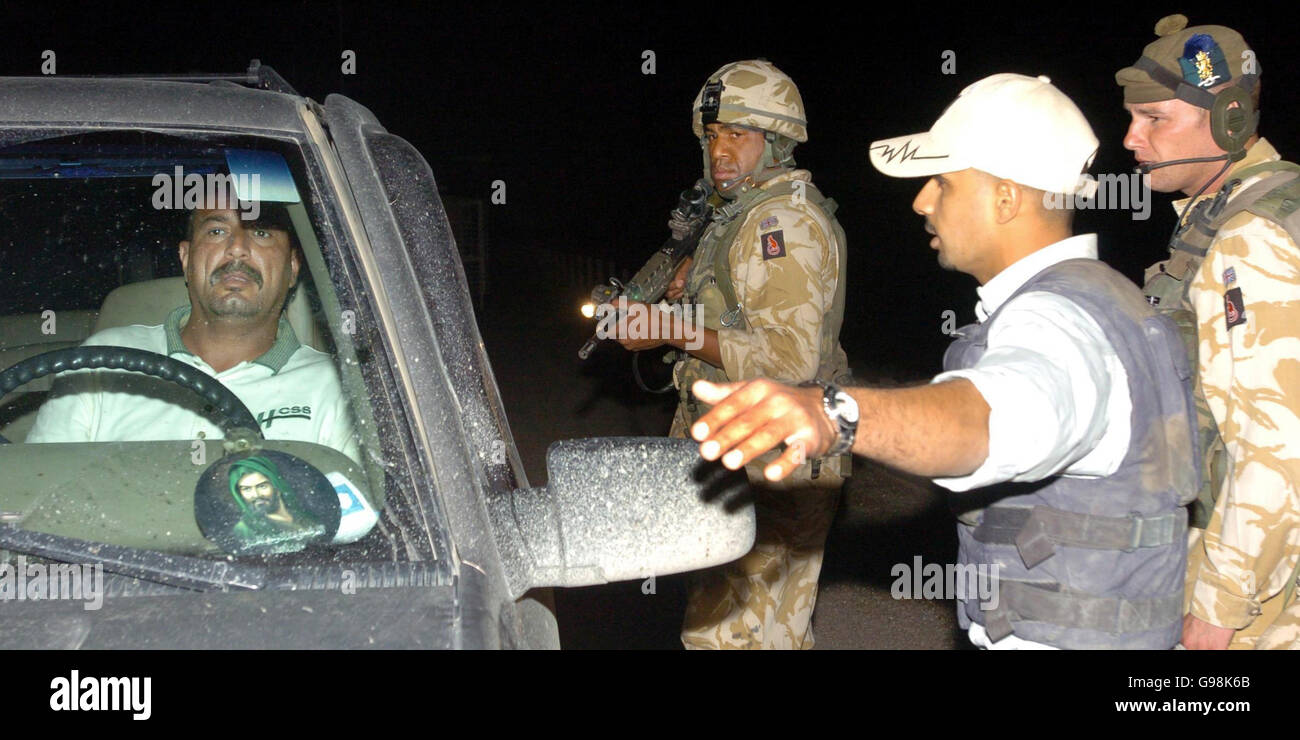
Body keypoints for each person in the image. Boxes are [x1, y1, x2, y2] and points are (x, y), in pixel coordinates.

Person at [687, 73, 1200, 649]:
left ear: (1006, 197)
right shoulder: (1107, 297)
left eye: (942, 182)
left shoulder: (1060, 322)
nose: (921, 201)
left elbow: (995, 416)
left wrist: (834, 412)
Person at [613, 59, 851, 649]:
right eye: (714, 135)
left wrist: (672, 328)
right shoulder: (743, 216)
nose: (721, 150)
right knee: (771, 634)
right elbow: (741, 322)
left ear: (775, 143)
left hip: (772, 461)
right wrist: (689, 295)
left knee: (725, 636)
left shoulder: (780, 223)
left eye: (738, 135)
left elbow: (788, 360)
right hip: (752, 449)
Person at [1116, 14, 1300, 649]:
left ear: (1227, 120)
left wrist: (1217, 609)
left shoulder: (1251, 237)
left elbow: (1277, 447)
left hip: (1264, 597)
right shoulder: (1253, 210)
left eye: (1155, 119)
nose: (1131, 138)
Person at [26, 203, 360, 464]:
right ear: (186, 259)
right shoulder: (101, 361)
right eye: (216, 230)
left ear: (293, 267)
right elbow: (36, 495)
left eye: (261, 232)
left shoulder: (338, 387)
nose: (237, 249)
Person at [227, 456, 326, 553]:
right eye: (247, 489)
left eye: (262, 486)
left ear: (277, 486)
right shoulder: (245, 529)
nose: (256, 495)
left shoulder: (305, 516)